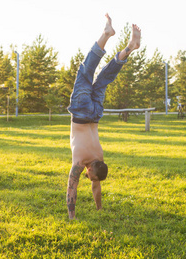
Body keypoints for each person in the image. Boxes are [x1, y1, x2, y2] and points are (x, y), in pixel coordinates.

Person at [66, 14, 141, 219]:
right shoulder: (80, 162)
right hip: (82, 113)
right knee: (85, 71)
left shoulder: (99, 158)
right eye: (91, 178)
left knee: (105, 77)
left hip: (96, 113)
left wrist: (99, 208)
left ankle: (130, 47)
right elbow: (72, 188)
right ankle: (106, 34)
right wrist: (71, 216)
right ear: (91, 171)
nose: (90, 180)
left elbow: (96, 187)